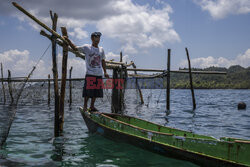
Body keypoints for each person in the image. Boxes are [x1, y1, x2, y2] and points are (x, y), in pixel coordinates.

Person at [64, 32, 109, 112]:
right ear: (92, 38)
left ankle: (92, 106)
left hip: (98, 74)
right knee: (88, 92)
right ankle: (85, 106)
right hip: (90, 73)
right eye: (96, 37)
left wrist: (105, 72)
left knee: (96, 92)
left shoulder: (101, 49)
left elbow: (103, 61)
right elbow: (75, 48)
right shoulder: (86, 47)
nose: (97, 39)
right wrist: (68, 40)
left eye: (98, 38)